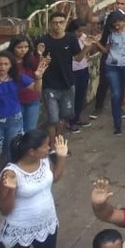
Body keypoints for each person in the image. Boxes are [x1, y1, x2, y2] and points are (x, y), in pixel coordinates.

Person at [0, 130, 67, 248]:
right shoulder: (10, 173)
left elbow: (54, 178)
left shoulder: (44, 161)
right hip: (21, 231)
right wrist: (11, 189)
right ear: (32, 152)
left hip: (47, 224)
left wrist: (62, 157)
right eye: (45, 146)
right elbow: (4, 210)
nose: (49, 148)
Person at [0, 52, 47, 193]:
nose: (2, 67)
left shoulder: (17, 78)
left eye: (6, 64)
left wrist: (38, 76)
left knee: (15, 152)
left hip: (14, 121)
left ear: (11, 65)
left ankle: (15, 182)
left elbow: (36, 90)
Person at [37, 11, 85, 147]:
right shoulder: (43, 41)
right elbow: (37, 62)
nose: (57, 25)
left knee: (64, 117)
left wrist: (87, 47)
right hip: (49, 86)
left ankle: (59, 144)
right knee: (52, 119)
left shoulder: (70, 39)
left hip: (67, 84)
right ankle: (51, 146)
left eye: (61, 22)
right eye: (54, 23)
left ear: (65, 23)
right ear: (50, 25)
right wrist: (40, 56)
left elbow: (78, 58)